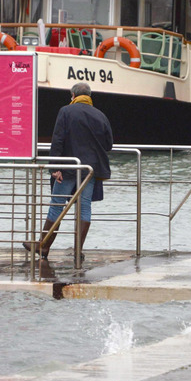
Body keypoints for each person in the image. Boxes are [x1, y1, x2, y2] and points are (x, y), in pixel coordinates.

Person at [25, 82, 113, 259]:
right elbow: (108, 144)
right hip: (89, 171)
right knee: (85, 207)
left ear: (73, 95)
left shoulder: (66, 111)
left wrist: (55, 167)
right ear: (89, 96)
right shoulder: (100, 115)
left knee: (57, 205)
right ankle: (78, 251)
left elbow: (58, 140)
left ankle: (43, 245)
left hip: (69, 168)